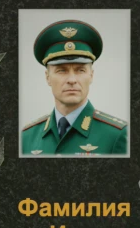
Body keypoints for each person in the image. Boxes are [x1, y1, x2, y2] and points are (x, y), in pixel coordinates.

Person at [21, 20, 128, 156]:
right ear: (47, 77)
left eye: (80, 70)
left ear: (91, 75)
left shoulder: (116, 135)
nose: (72, 80)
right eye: (61, 70)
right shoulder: (26, 138)